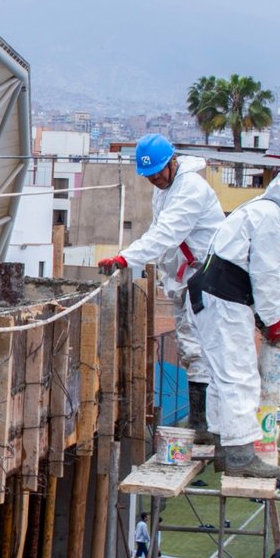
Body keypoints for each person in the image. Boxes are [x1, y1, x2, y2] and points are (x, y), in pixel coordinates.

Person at [188, 168, 280, 478]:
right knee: (241, 378)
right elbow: (267, 279)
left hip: (214, 298)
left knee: (222, 377)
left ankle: (225, 448)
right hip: (223, 301)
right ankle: (240, 456)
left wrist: (261, 318)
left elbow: (248, 272)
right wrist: (275, 322)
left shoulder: (259, 209)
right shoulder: (271, 219)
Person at [98, 135, 224, 445]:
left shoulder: (189, 189)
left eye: (157, 172)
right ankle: (200, 421)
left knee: (204, 349)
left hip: (206, 280)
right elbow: (160, 233)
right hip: (187, 279)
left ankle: (205, 422)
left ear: (172, 163)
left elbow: (167, 233)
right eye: (149, 175)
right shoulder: (166, 190)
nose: (153, 179)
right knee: (190, 347)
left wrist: (126, 257)